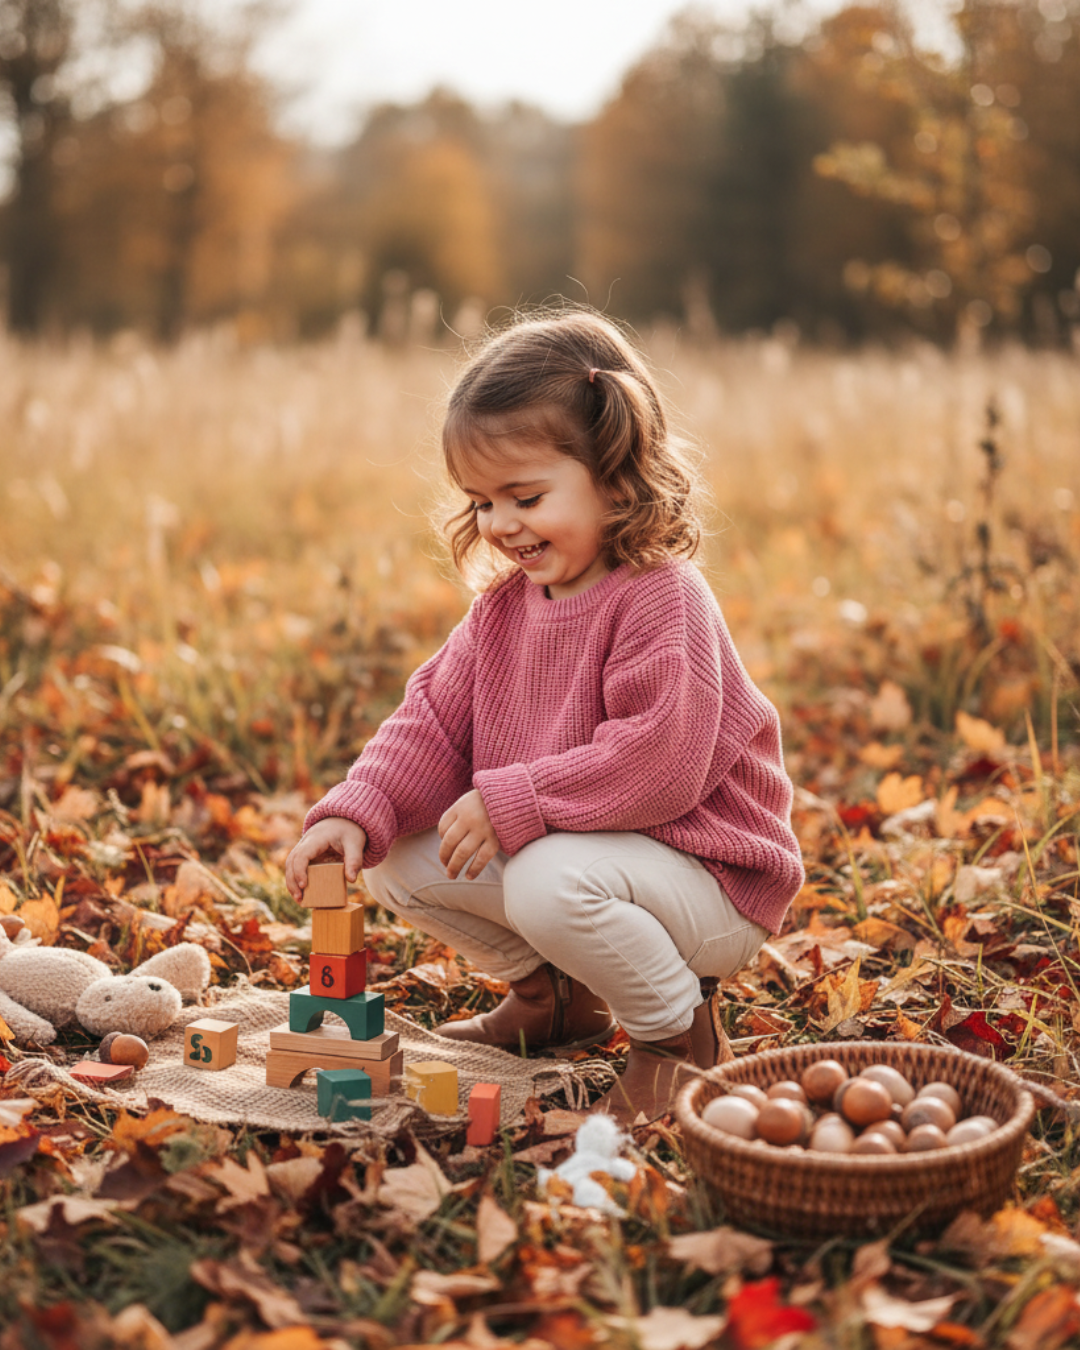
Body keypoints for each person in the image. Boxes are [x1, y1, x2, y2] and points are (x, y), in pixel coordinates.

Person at [285, 308, 803, 1122]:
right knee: (399, 856)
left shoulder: (661, 598)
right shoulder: (502, 614)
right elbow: (430, 721)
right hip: (595, 869)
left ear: (618, 478)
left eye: (525, 496)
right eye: (482, 502)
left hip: (708, 879)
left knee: (544, 878)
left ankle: (678, 1040)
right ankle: (553, 998)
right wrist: (359, 809)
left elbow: (660, 762)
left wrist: (513, 798)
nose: (500, 525)